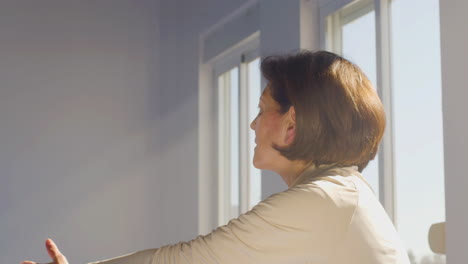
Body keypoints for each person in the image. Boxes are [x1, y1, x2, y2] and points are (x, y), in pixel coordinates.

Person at [21, 51, 410, 264]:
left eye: (262, 109)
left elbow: (187, 261)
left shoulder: (324, 200)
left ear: (292, 123)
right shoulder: (340, 196)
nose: (253, 125)